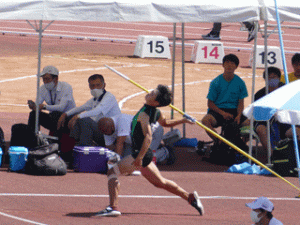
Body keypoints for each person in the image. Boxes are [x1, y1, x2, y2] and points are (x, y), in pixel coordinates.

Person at [95, 85, 204, 217]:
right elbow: (165, 123)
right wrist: (183, 120)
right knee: (161, 183)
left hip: (140, 153)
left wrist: (139, 158)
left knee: (113, 172)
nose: (149, 92)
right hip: (144, 155)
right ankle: (190, 197)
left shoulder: (145, 114)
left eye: (152, 93)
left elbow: (148, 136)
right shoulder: (155, 111)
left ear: (156, 102)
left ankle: (113, 207)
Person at [57, 74, 121, 146]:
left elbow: (97, 111)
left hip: (110, 135)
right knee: (73, 117)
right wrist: (65, 114)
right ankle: (72, 143)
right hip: (102, 131)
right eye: (92, 86)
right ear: (89, 86)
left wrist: (78, 116)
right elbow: (81, 108)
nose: (95, 88)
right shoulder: (94, 99)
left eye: (98, 85)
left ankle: (84, 147)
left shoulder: (109, 97)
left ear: (104, 85)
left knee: (84, 119)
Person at [201, 54, 248, 144]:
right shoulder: (215, 82)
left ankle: (240, 144)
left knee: (250, 123)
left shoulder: (240, 83)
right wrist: (223, 113)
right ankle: (219, 141)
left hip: (234, 110)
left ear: (236, 66)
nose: (229, 65)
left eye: (232, 63)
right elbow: (210, 104)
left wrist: (239, 115)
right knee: (205, 121)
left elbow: (241, 103)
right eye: (227, 63)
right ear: (223, 65)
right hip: (218, 110)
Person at [27, 65, 76, 137]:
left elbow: (61, 108)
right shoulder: (42, 89)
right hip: (54, 118)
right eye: (43, 79)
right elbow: (38, 105)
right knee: (34, 114)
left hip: (68, 119)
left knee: (56, 114)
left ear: (56, 78)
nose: (45, 82)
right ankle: (32, 138)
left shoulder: (66, 87)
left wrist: (44, 106)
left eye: (47, 79)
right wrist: (34, 106)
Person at [253, 67, 288, 153]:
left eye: (274, 77)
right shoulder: (259, 94)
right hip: (265, 121)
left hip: (284, 121)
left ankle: (294, 155)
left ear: (279, 78)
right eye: (269, 77)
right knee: (261, 129)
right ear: (265, 79)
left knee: (295, 132)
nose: (272, 79)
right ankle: (272, 156)